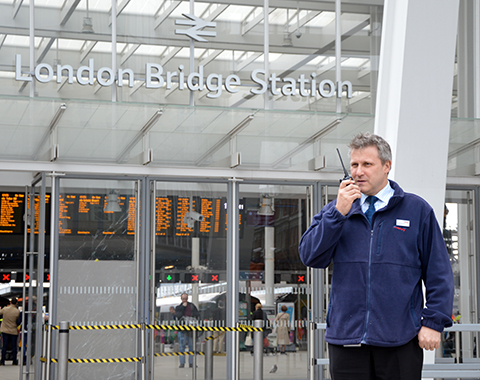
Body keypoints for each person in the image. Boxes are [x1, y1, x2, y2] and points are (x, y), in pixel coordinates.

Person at [299, 132, 454, 380]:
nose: (358, 172)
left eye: (367, 165)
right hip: (346, 338)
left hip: (401, 338)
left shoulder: (417, 210)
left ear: (386, 166)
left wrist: (433, 322)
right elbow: (310, 256)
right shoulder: (337, 209)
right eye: (354, 165)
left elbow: (439, 273)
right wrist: (338, 214)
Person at [175, 293, 199, 368]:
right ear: (181, 299)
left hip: (190, 330)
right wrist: (183, 307)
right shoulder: (178, 307)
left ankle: (191, 362)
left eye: (185, 298)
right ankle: (182, 363)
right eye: (183, 298)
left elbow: (197, 314)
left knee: (191, 346)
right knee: (182, 346)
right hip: (182, 329)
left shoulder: (192, 306)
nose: (184, 300)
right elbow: (178, 316)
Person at [0, 298, 20, 365]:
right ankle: (14, 361)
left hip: (5, 330)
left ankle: (2, 361)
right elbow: (18, 321)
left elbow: (0, 313)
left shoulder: (5, 309)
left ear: (10, 302)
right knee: (14, 346)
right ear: (16, 303)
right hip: (13, 331)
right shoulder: (17, 311)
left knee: (4, 346)